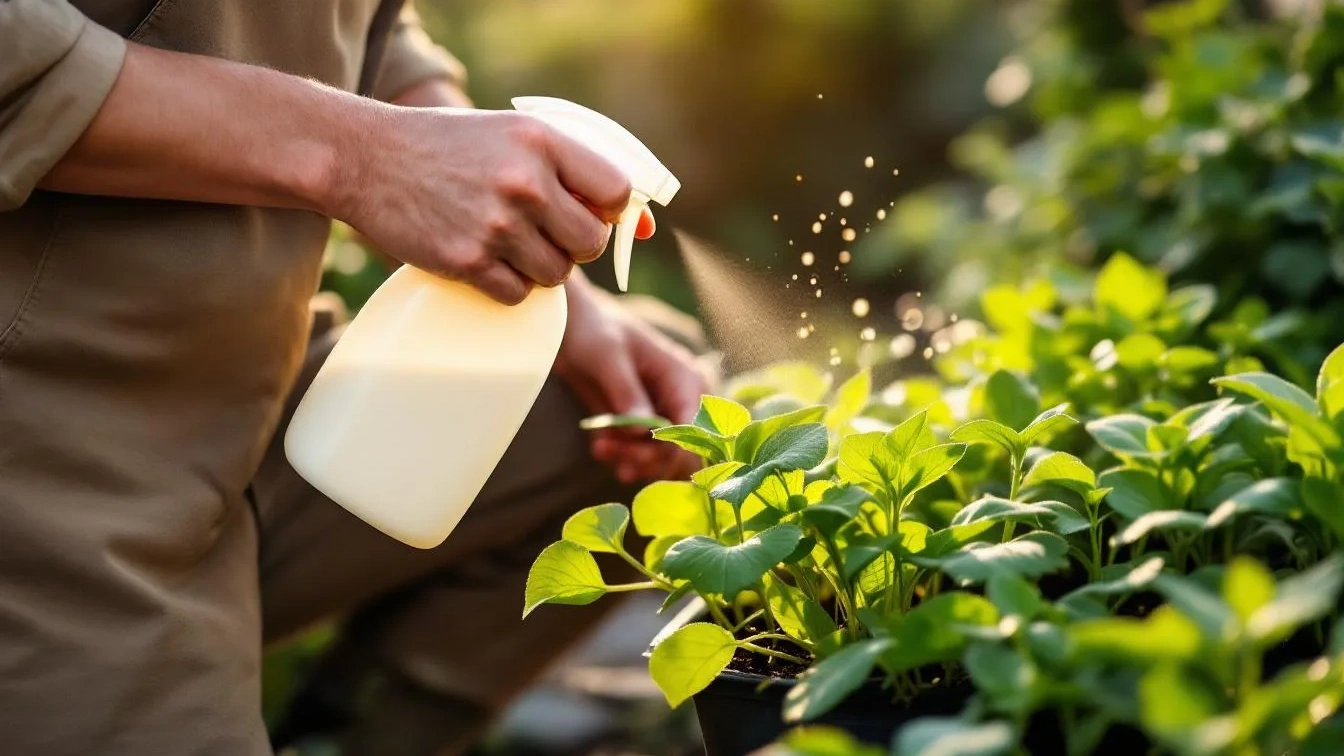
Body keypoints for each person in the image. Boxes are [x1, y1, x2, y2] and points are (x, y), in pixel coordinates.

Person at [0, 1, 711, 754]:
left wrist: (552, 277)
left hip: (247, 389)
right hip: (50, 424)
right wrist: (361, 158)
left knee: (627, 421)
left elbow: (364, 24)